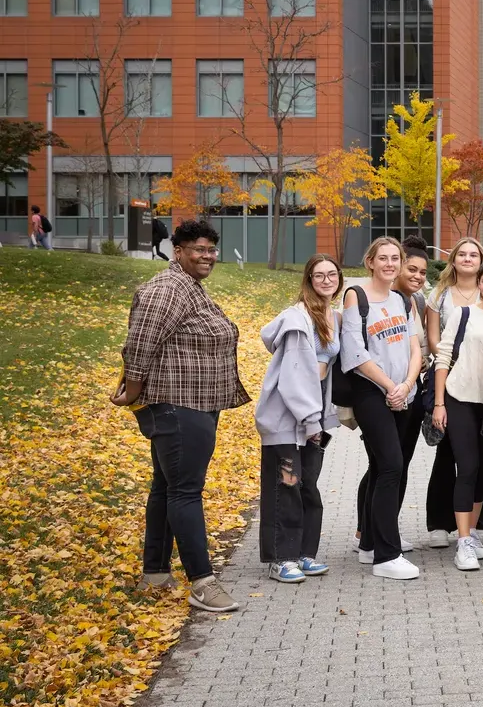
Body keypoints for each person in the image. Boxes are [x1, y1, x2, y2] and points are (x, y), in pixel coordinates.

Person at [114, 219, 247, 612]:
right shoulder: (168, 288)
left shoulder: (188, 287)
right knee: (185, 490)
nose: (207, 256)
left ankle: (154, 572)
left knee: (166, 486)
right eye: (199, 250)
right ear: (179, 251)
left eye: (211, 249)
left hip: (195, 402)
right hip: (178, 405)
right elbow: (139, 343)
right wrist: (133, 390)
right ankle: (202, 582)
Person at [340, 237, 424, 580]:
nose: (390, 264)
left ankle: (370, 544)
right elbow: (355, 353)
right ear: (370, 261)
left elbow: (416, 347)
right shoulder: (355, 296)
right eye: (383, 258)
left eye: (395, 258)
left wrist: (405, 385)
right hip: (371, 393)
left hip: (404, 391)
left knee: (382, 468)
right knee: (391, 465)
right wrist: (391, 387)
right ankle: (388, 556)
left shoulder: (402, 300)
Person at [256, 254, 342, 583]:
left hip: (313, 416)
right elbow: (292, 379)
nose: (325, 280)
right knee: (285, 486)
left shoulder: (331, 315)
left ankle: (305, 553)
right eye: (318, 275)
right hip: (287, 421)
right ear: (308, 279)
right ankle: (281, 557)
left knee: (308, 487)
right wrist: (310, 421)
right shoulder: (297, 321)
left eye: (331, 274)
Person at [432, 259, 483, 570]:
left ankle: (474, 532)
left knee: (480, 468)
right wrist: (440, 403)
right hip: (460, 397)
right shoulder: (463, 314)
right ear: (479, 284)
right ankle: (462, 541)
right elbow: (443, 355)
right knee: (466, 466)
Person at [425, 237, 483, 547]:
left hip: (482, 379)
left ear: (481, 260)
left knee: (477, 455)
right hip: (448, 374)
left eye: (473, 254)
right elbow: (434, 339)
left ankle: (475, 525)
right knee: (447, 450)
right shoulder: (439, 295)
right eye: (462, 254)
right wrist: (456, 358)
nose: (467, 259)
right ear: (453, 259)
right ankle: (440, 523)